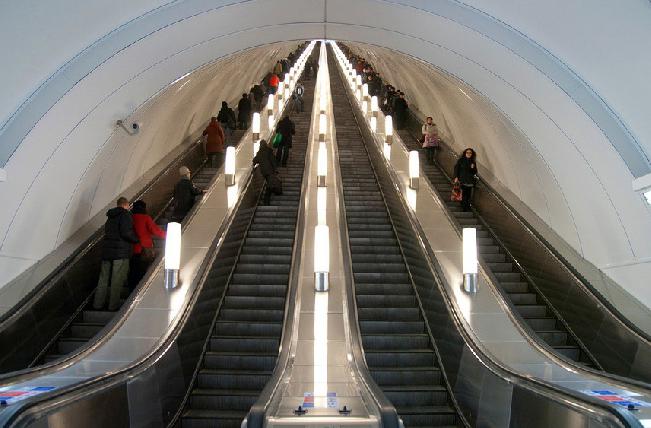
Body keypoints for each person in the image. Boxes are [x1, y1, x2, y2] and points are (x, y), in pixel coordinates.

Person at [94, 197, 140, 311]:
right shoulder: (125, 215)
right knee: (117, 279)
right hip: (120, 253)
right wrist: (136, 239)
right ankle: (112, 306)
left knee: (103, 279)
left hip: (107, 252)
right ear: (126, 205)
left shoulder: (110, 217)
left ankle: (97, 305)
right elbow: (126, 232)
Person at [129, 200, 166, 288]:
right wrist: (168, 235)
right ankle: (141, 288)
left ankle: (132, 288)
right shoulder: (145, 218)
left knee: (134, 270)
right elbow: (155, 230)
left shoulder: (130, 218)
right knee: (143, 270)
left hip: (132, 249)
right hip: (144, 249)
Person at [252, 139, 278, 205]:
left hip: (264, 172)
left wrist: (254, 165)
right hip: (270, 171)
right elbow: (273, 161)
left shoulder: (259, 152)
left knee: (269, 183)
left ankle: (267, 199)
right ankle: (266, 201)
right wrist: (275, 169)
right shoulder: (269, 151)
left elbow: (255, 160)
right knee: (269, 185)